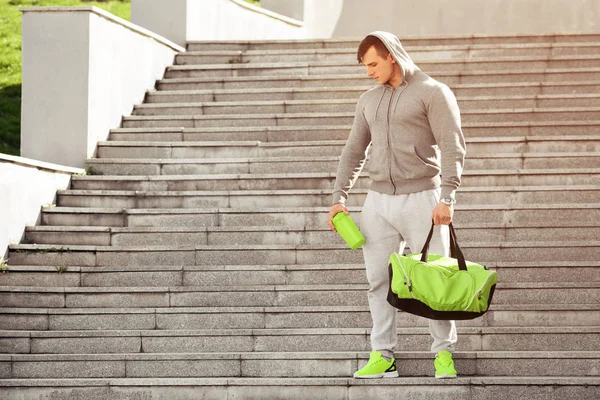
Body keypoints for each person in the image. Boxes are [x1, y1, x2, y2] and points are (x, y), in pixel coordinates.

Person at [327, 31, 466, 379]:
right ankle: (383, 355)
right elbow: (353, 151)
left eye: (373, 63)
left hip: (424, 198)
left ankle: (443, 355)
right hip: (378, 202)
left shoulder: (433, 92)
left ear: (391, 55)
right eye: (365, 66)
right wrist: (339, 197)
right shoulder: (368, 100)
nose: (369, 71)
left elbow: (452, 146)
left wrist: (448, 196)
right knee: (377, 281)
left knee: (437, 278)